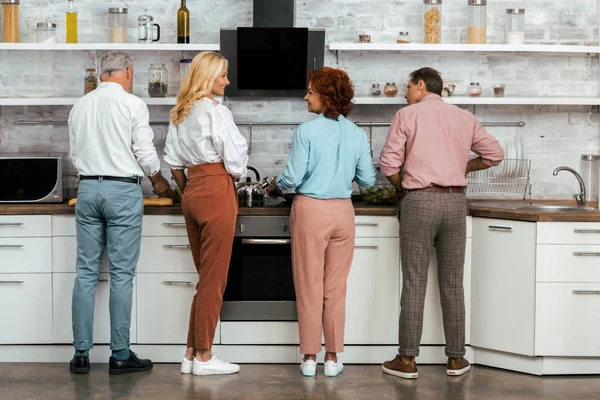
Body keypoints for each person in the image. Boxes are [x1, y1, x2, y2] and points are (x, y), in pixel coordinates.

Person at [379, 67, 504, 379]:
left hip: (419, 200)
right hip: (454, 203)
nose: (407, 93)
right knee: (452, 283)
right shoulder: (464, 117)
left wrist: (401, 187)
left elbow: (388, 164)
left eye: (409, 87)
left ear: (421, 85)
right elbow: (494, 154)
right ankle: (456, 359)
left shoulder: (407, 115)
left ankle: (407, 360)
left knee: (414, 282)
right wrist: (460, 165)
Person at [267, 67, 377, 377]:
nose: (306, 97)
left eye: (311, 92)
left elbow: (292, 179)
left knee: (309, 286)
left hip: (311, 211)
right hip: (343, 212)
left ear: (325, 96)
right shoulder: (357, 134)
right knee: (335, 289)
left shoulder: (307, 131)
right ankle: (333, 358)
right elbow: (368, 179)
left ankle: (309, 358)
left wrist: (277, 182)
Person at [68, 51, 170, 374]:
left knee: (86, 272)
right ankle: (120, 354)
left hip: (86, 189)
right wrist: (157, 179)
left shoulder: (79, 106)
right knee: (121, 274)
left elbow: (74, 154)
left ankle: (81, 355)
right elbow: (144, 150)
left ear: (101, 74)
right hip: (123, 191)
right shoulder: (133, 104)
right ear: (127, 72)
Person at [164, 51, 248, 376]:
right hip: (215, 188)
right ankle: (204, 356)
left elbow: (172, 162)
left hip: (192, 190)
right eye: (223, 75)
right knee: (214, 279)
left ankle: (189, 353)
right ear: (208, 76)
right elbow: (236, 159)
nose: (227, 81)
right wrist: (228, 177)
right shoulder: (216, 111)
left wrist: (190, 188)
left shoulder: (181, 112)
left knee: (205, 277)